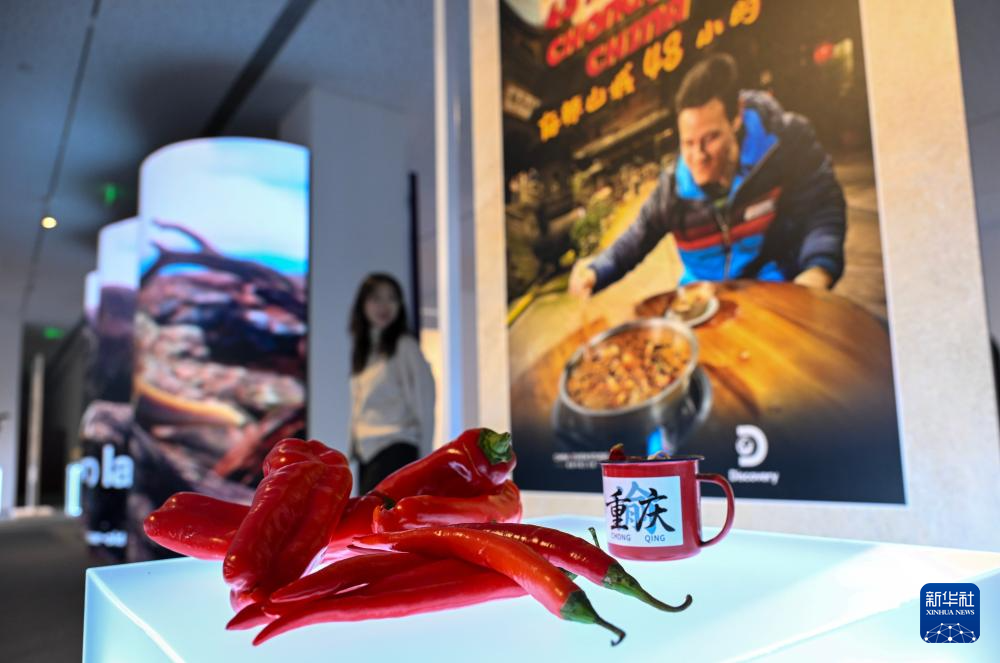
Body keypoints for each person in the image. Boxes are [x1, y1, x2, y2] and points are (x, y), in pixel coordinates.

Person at [569, 53, 846, 298]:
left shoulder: (785, 144)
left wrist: (817, 270)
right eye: (688, 143)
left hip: (774, 291)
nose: (698, 157)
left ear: (736, 117)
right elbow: (635, 239)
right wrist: (595, 272)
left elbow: (822, 206)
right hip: (703, 300)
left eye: (710, 139)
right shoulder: (672, 190)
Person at [348, 273, 435, 494]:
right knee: (366, 515)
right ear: (363, 304)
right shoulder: (365, 352)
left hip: (396, 450)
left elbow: (425, 403)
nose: (384, 306)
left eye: (392, 298)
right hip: (368, 455)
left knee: (377, 516)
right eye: (376, 298)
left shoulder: (405, 347)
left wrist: (425, 462)